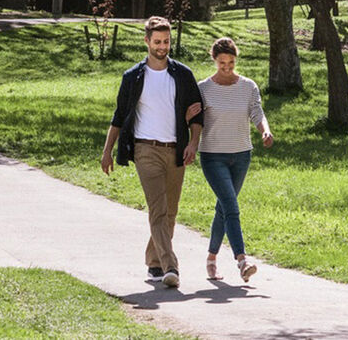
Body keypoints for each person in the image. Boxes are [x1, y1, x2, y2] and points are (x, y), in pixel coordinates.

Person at [100, 16, 205, 288]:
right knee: (158, 210)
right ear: (146, 41)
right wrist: (107, 150)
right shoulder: (133, 77)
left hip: (176, 149)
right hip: (145, 149)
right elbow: (120, 115)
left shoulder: (182, 74)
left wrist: (193, 143)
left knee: (170, 212)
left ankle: (154, 262)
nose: (162, 46)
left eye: (166, 41)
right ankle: (172, 267)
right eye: (157, 41)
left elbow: (197, 115)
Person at [194, 37, 273, 283]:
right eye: (222, 63)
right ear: (214, 60)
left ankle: (211, 259)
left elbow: (256, 112)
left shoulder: (248, 86)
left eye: (230, 62)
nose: (227, 67)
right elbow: (194, 120)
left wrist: (264, 130)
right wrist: (190, 144)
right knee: (230, 205)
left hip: (241, 155)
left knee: (223, 208)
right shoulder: (203, 88)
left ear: (235, 60)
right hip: (212, 155)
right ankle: (242, 260)